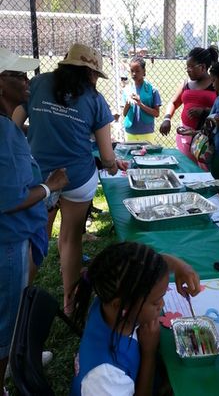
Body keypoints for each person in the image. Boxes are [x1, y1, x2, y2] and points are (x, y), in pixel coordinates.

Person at [13, 43, 128, 313]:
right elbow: (107, 154)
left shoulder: (38, 84)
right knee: (70, 239)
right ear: (91, 74)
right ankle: (70, 303)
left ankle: (17, 301)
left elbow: (14, 127)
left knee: (36, 238)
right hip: (78, 179)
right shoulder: (95, 100)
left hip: (39, 178)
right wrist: (111, 166)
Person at [0, 48, 68, 393]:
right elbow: (9, 198)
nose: (28, 82)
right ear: (0, 84)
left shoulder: (8, 126)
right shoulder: (3, 132)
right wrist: (49, 185)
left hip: (16, 239)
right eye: (18, 76)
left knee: (15, 308)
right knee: (7, 316)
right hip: (8, 243)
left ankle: (17, 355)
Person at [70, 242, 200, 396]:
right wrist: (149, 352)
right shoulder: (106, 377)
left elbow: (154, 264)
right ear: (121, 305)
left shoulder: (109, 300)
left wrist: (180, 267)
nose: (162, 304)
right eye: (156, 301)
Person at [159, 46, 218, 161]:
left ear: (203, 67)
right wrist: (167, 119)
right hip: (185, 135)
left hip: (206, 137)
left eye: (191, 67)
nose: (188, 70)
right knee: (187, 168)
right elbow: (173, 102)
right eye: (187, 67)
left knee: (203, 172)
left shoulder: (215, 84)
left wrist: (205, 111)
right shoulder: (186, 83)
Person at [123, 56, 161, 144]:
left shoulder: (152, 90)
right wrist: (128, 104)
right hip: (130, 131)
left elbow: (156, 113)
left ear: (144, 72)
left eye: (137, 71)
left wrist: (140, 104)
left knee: (147, 156)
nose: (134, 74)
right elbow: (124, 114)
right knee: (130, 156)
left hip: (146, 132)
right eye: (132, 71)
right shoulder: (126, 90)